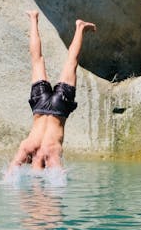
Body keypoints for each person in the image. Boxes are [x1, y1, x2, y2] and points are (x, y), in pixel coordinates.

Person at [10, 10, 96, 170]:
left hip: (60, 107)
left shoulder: (51, 153)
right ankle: (33, 18)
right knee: (37, 60)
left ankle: (80, 27)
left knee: (71, 62)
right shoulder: (26, 148)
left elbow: (59, 179)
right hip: (39, 105)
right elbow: (10, 173)